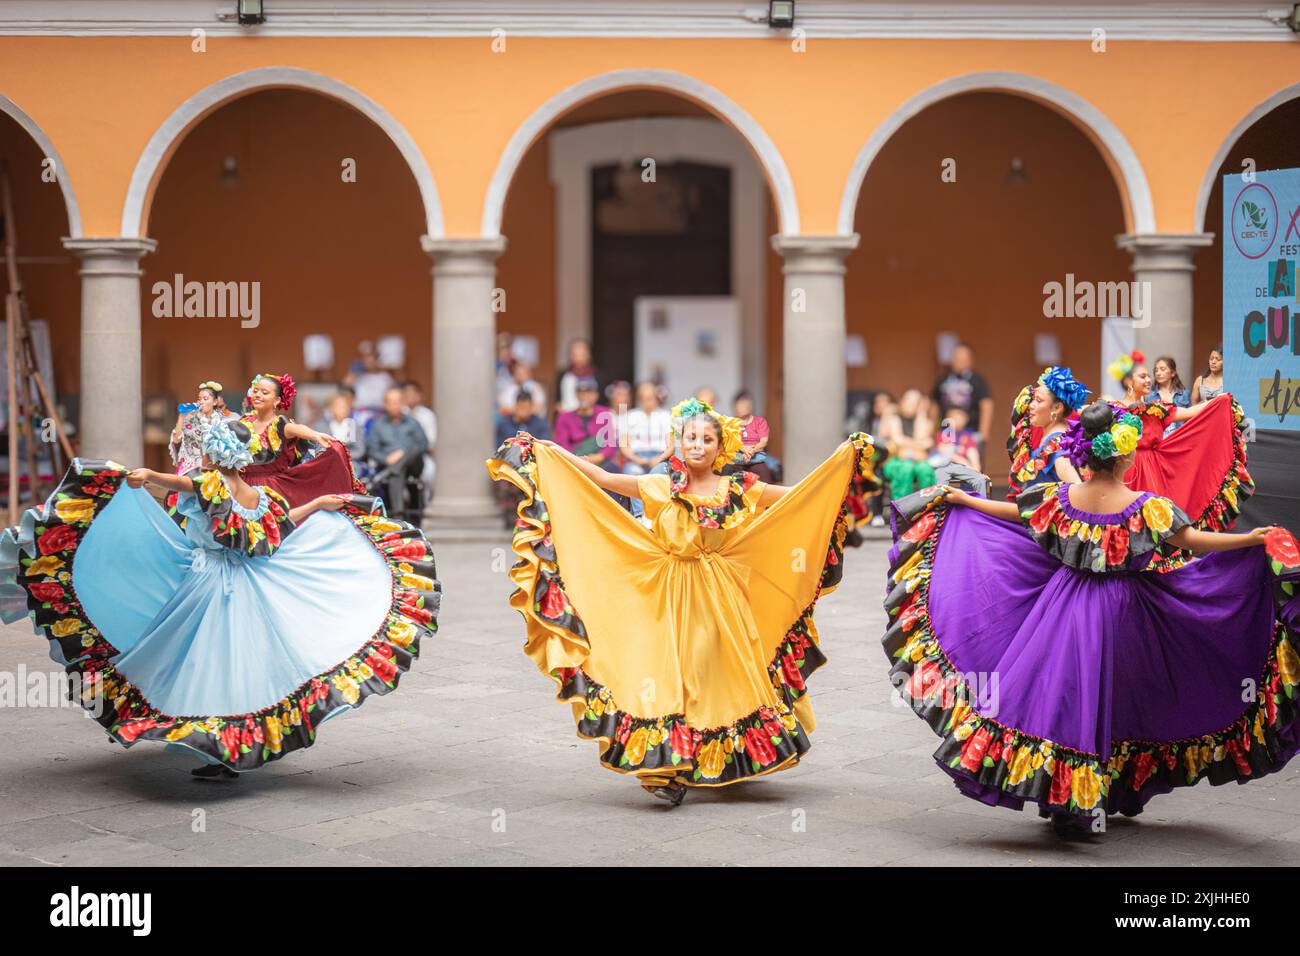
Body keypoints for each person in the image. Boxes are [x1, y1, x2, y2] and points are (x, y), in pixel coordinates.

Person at [883, 400, 1300, 836]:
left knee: (1066, 696)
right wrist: (1248, 540)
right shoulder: (1147, 506)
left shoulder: (1063, 498)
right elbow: (1194, 539)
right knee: (1113, 696)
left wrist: (966, 500)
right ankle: (1090, 792)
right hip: (1126, 611)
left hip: (1063, 606)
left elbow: (1017, 514)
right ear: (1124, 456)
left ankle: (1066, 798)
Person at [487, 398, 877, 805]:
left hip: (719, 593)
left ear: (719, 447)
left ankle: (724, 754)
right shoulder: (659, 485)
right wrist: (550, 451)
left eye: (706, 439)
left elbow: (798, 496)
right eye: (691, 437)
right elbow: (602, 476)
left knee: (715, 672)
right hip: (667, 589)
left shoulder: (738, 487)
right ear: (679, 442)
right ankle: (663, 768)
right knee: (669, 672)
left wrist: (840, 466)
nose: (697, 445)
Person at [0, 418, 439, 776]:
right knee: (235, 665)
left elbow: (177, 485)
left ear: (216, 454)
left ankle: (211, 740)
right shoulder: (259, 495)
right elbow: (282, 522)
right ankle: (228, 745)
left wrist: (149, 475)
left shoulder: (210, 484)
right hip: (246, 585)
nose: (203, 456)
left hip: (210, 581)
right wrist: (320, 503)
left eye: (207, 450)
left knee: (198, 659)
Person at [1115, 356, 1255, 531]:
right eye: (1143, 376)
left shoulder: (1156, 410)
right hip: (1125, 470)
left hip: (1151, 471)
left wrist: (1220, 401)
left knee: (1153, 521)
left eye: (1148, 376)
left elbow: (1189, 412)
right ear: (1129, 381)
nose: (1150, 379)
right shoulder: (1114, 409)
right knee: (1126, 521)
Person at [240, 373, 363, 509]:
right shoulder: (244, 422)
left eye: (264, 392)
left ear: (276, 400)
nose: (258, 395)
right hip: (242, 486)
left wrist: (316, 435)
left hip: (270, 489)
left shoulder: (279, 425)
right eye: (255, 391)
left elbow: (296, 428)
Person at [1005, 365, 1089, 497]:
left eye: (1038, 401)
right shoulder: (1057, 438)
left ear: (1057, 408)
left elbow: (1080, 492)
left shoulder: (1058, 445)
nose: (1031, 406)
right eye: (1033, 399)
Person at [365, 386, 430, 521]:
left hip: (414, 466)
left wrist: (402, 454)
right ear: (385, 404)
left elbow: (424, 445)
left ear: (402, 403)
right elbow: (372, 449)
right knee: (397, 472)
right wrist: (387, 459)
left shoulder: (412, 423)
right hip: (390, 466)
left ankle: (397, 517)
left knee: (414, 449)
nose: (395, 405)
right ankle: (399, 516)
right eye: (391, 402)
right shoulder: (378, 425)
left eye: (397, 401)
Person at [619, 383, 674, 518]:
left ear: (656, 398)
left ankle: (655, 515)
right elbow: (623, 446)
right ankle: (640, 516)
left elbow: (671, 447)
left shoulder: (666, 416)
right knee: (633, 472)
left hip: (659, 456)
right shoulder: (630, 416)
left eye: (649, 398)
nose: (646, 401)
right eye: (642, 398)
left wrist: (658, 459)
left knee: (657, 473)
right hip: (637, 457)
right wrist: (637, 459)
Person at [932, 343, 994, 451]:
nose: (959, 361)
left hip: (970, 432)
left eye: (963, 358)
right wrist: (933, 430)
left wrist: (984, 433)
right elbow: (934, 404)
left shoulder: (978, 380)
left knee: (970, 463)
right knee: (946, 463)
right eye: (956, 358)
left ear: (970, 360)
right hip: (946, 431)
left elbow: (987, 405)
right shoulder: (943, 379)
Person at [168, 380, 233, 475]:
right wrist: (181, 416)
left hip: (215, 468)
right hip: (191, 467)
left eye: (205, 399)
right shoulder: (189, 419)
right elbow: (176, 440)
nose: (201, 402)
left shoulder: (222, 422)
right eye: (199, 399)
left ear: (214, 402)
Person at [881, 389, 936, 498]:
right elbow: (898, 441)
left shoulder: (925, 421)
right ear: (902, 401)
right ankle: (901, 508)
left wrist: (921, 413)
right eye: (908, 400)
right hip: (896, 461)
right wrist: (919, 445)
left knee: (925, 470)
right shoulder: (893, 419)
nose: (911, 404)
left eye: (916, 402)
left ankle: (926, 506)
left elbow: (922, 438)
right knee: (906, 468)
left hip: (918, 461)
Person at [553, 377, 617, 467]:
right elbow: (562, 443)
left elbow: (611, 443)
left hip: (600, 461)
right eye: (580, 392)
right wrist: (577, 459)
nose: (584, 396)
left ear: (596, 395)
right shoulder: (564, 417)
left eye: (588, 392)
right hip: (573, 460)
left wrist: (598, 457)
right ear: (576, 394)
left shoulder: (605, 414)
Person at [727, 390, 781, 483]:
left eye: (746, 404)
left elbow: (763, 441)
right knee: (729, 470)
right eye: (740, 405)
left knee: (762, 471)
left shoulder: (760, 422)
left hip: (756, 455)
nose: (743, 407)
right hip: (736, 456)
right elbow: (730, 441)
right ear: (735, 407)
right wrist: (743, 449)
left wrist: (751, 451)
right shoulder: (730, 423)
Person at [401, 380, 438, 498]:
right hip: (400, 455)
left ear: (419, 396)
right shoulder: (399, 413)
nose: (410, 397)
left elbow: (431, 442)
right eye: (407, 394)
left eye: (413, 394)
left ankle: (425, 505)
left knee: (430, 472)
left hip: (423, 456)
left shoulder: (427, 415)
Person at [313, 391, 366, 466]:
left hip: (350, 462)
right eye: (338, 406)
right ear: (331, 408)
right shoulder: (322, 426)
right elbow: (318, 448)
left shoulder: (353, 426)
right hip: (327, 461)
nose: (342, 410)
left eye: (344, 407)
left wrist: (344, 456)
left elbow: (359, 450)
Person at [556, 338, 598, 414]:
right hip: (568, 418)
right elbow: (557, 400)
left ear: (589, 355)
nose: (578, 359)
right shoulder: (563, 375)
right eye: (575, 355)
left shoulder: (597, 375)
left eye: (582, 355)